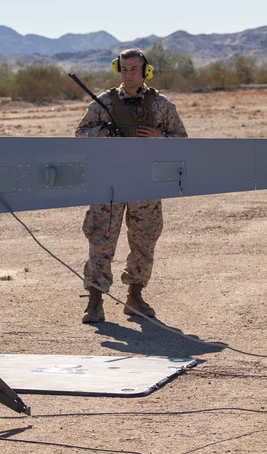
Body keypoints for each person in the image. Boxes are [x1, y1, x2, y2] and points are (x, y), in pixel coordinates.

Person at [75, 48, 188, 324]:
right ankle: (95, 299)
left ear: (145, 71)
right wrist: (101, 133)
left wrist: (161, 138)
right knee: (101, 240)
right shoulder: (104, 102)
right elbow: (80, 134)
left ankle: (135, 296)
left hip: (144, 182)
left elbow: (183, 141)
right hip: (109, 182)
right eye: (124, 69)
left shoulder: (161, 105)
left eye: (134, 69)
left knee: (143, 240)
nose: (128, 75)